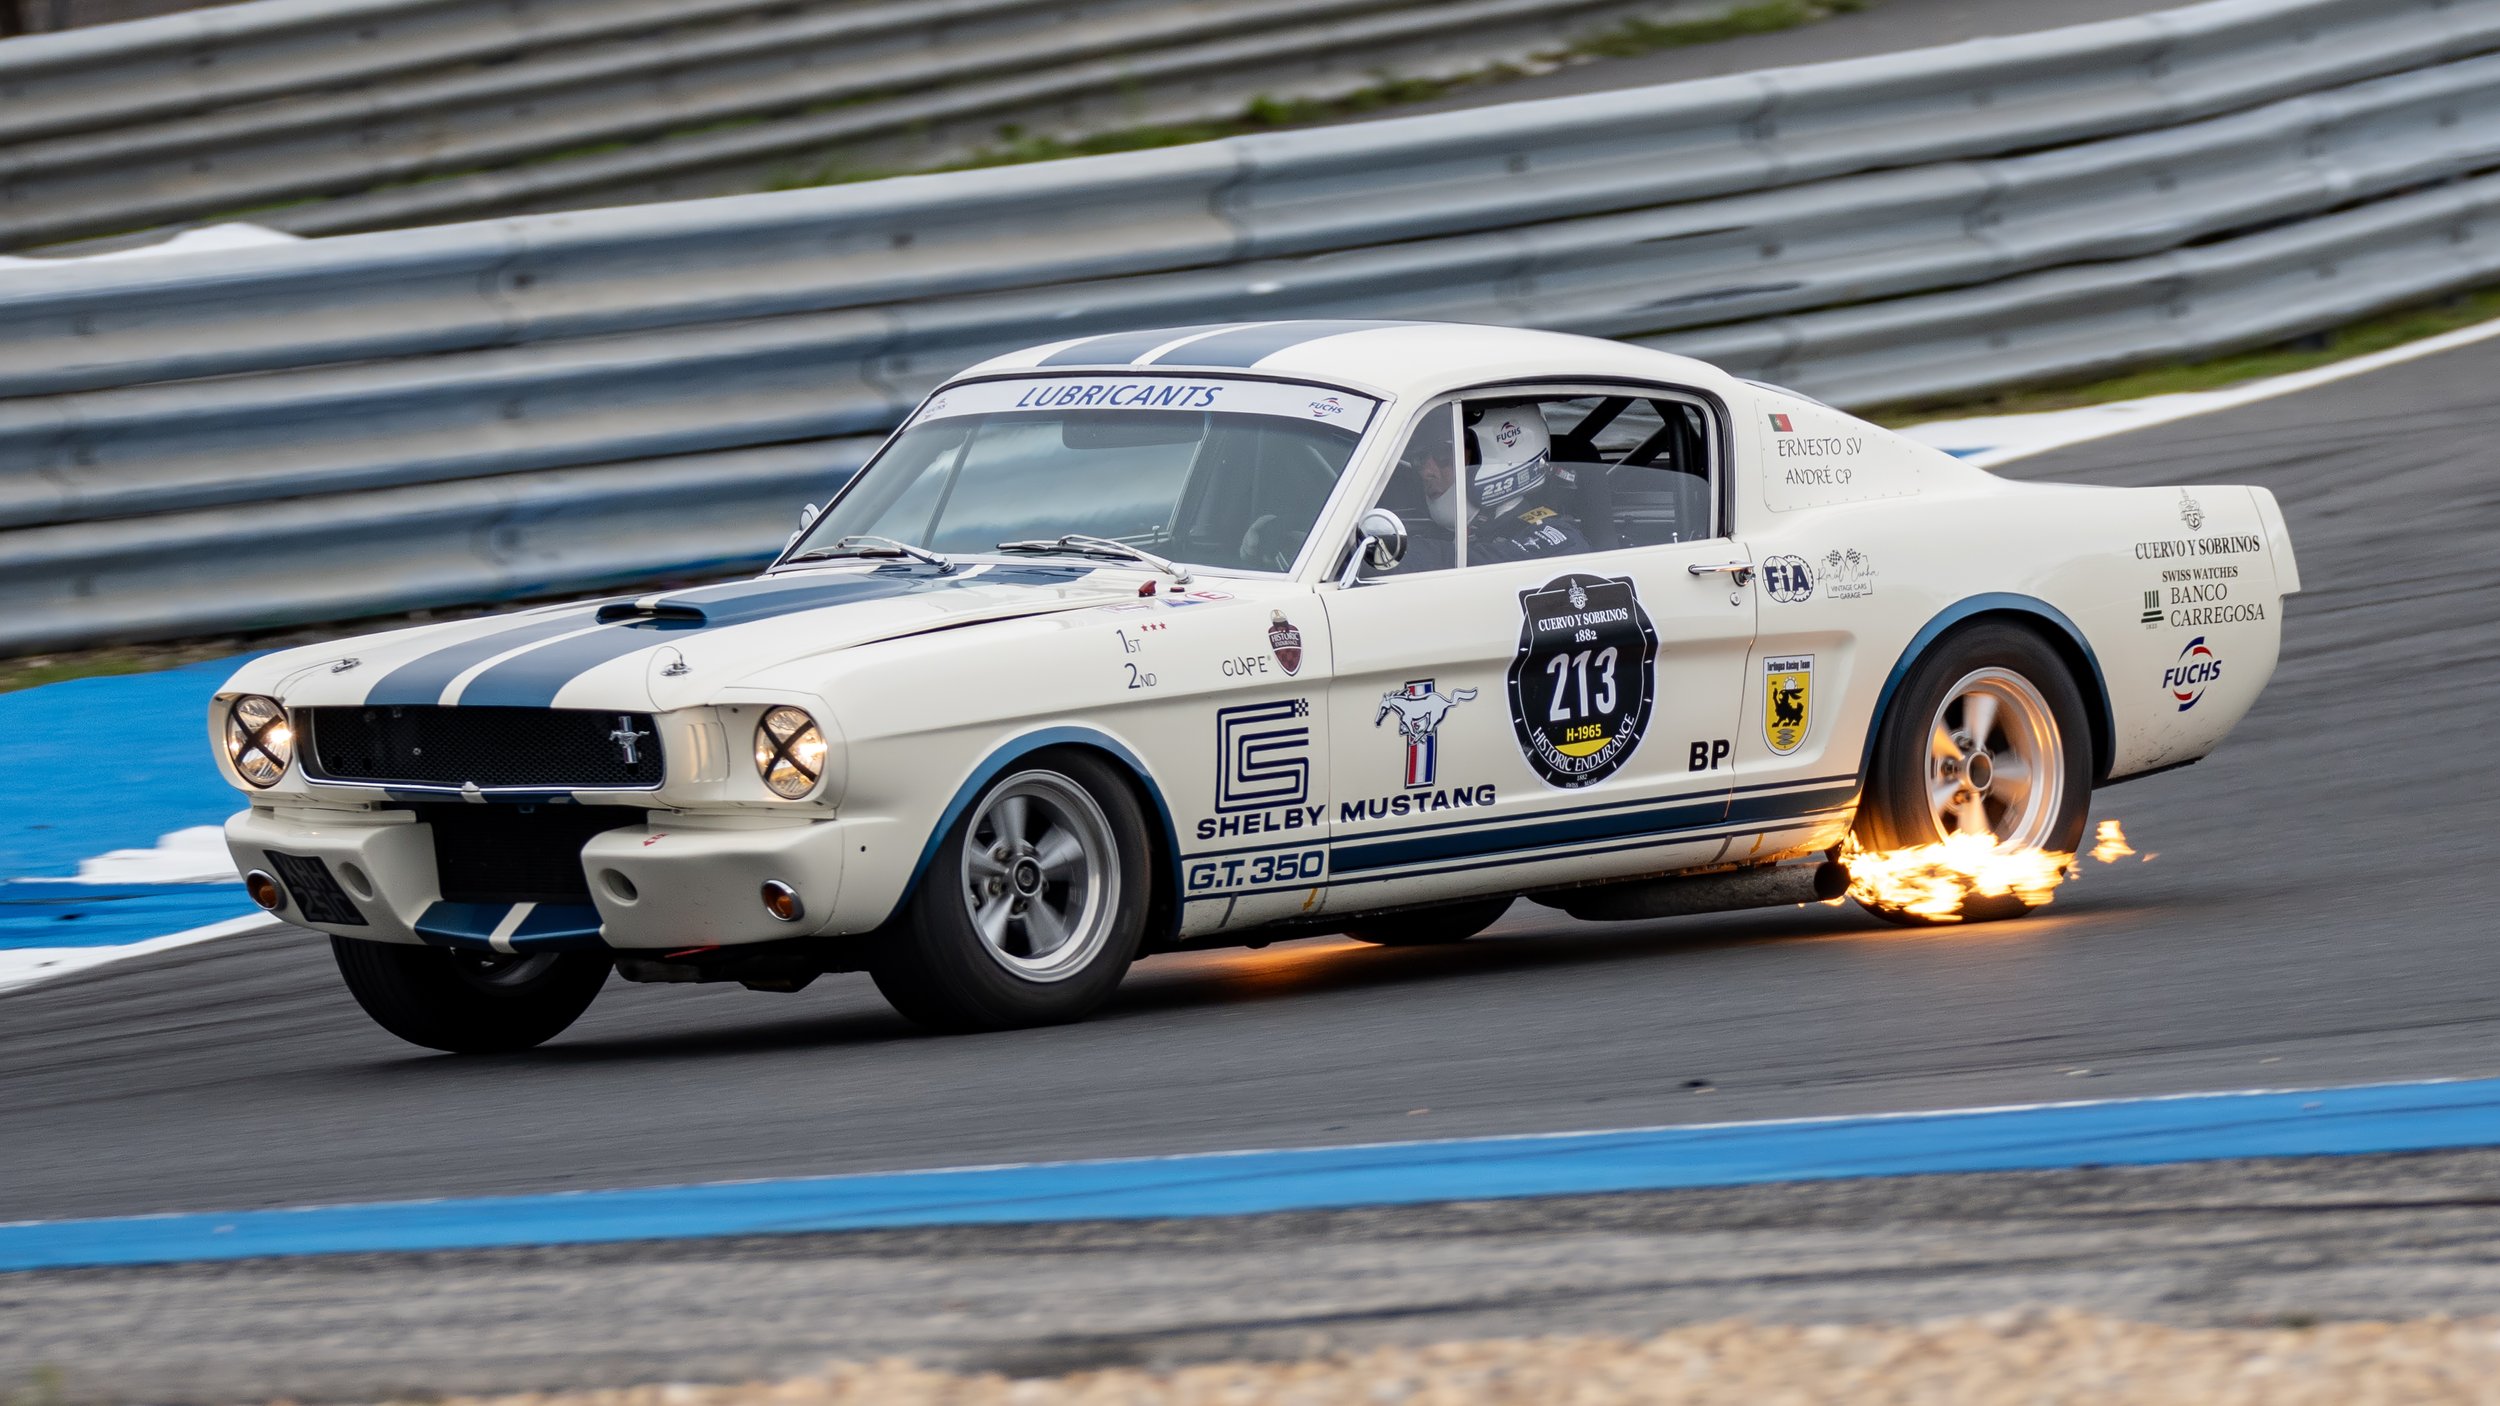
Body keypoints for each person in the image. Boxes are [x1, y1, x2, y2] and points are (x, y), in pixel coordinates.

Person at [1416, 403, 1589, 564]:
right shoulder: (1445, 533)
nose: (1426, 473)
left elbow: (1478, 566)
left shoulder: (1557, 538)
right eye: (1421, 460)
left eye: (1443, 457)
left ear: (1500, 458)